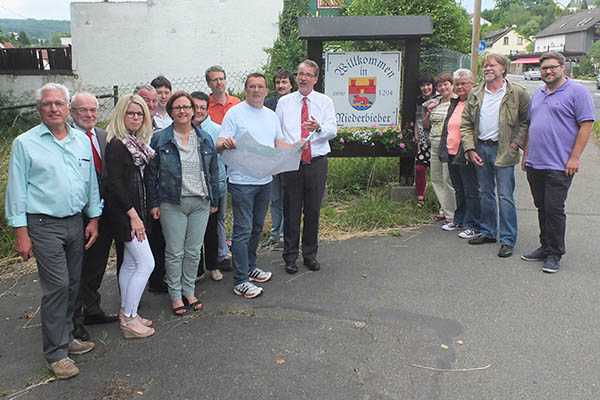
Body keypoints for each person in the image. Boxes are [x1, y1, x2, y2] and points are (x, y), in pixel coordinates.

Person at [5, 83, 101, 379]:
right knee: (57, 285)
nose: (54, 108)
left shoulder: (81, 141)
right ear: (39, 109)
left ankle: (67, 336)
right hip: (43, 224)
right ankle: (56, 353)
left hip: (76, 221)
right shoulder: (25, 143)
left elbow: (90, 184)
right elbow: (17, 189)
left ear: (66, 106)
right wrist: (21, 231)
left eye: (59, 103)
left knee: (73, 283)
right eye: (48, 104)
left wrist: (94, 218)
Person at [217, 72, 293, 298]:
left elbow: (278, 142)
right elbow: (219, 142)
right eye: (252, 86)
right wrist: (226, 143)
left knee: (257, 228)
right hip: (242, 181)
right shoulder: (235, 113)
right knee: (242, 230)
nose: (256, 90)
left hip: (265, 179)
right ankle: (240, 279)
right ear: (245, 90)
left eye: (260, 86)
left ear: (266, 90)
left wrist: (294, 148)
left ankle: (250, 267)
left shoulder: (270, 115)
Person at [146, 91, 221, 314]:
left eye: (186, 107)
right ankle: (175, 295)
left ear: (193, 110)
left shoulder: (205, 137)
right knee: (175, 251)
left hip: (200, 201)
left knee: (194, 250)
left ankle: (189, 290)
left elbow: (213, 170)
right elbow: (151, 174)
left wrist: (214, 199)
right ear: (170, 112)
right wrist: (154, 203)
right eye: (177, 107)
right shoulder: (160, 138)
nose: (183, 111)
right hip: (172, 202)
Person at [522, 51, 594, 273]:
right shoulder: (539, 94)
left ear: (563, 67)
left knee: (554, 209)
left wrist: (574, 157)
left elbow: (587, 125)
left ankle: (555, 253)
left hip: (560, 165)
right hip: (536, 162)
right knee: (542, 207)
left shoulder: (577, 92)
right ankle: (545, 246)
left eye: (553, 67)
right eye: (544, 68)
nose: (548, 71)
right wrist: (526, 155)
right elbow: (531, 126)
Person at [461, 53, 530, 258]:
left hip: (504, 150)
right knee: (486, 193)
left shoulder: (517, 92)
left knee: (505, 196)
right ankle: (489, 231)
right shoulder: (476, 93)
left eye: (492, 65)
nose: (487, 68)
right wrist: (470, 149)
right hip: (481, 148)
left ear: (503, 68)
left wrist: (516, 143)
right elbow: (466, 124)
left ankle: (508, 239)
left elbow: (526, 121)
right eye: (485, 66)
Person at [275, 59, 337, 274]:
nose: (303, 78)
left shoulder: (325, 101)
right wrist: (287, 147)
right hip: (291, 162)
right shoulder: (284, 102)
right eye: (300, 74)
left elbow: (333, 130)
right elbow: (278, 130)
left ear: (315, 79)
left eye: (308, 75)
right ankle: (290, 256)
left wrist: (319, 128)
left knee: (312, 210)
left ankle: (309, 255)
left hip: (316, 162)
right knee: (291, 210)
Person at [103, 94, 156, 338]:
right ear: (121, 115)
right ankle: (130, 319)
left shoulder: (134, 142)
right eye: (130, 113)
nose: (135, 117)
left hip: (134, 211)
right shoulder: (117, 144)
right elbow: (114, 184)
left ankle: (128, 312)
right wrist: (133, 215)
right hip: (125, 213)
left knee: (131, 263)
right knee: (146, 263)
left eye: (139, 113)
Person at [70, 92, 118, 343]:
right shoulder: (66, 138)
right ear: (72, 112)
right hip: (78, 214)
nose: (89, 115)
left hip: (104, 212)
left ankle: (92, 309)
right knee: (78, 267)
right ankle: (75, 323)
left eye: (93, 110)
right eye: (82, 110)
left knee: (97, 265)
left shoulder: (102, 136)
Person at [191, 91, 229, 281]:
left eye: (202, 107)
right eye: (195, 107)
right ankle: (197, 269)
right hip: (191, 189)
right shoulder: (183, 130)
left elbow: (221, 161)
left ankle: (213, 265)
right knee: (193, 232)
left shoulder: (216, 129)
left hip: (213, 186)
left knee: (211, 228)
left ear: (208, 109)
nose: (198, 111)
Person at [438, 69, 480, 240]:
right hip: (452, 151)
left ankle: (474, 224)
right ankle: (460, 219)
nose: (460, 86)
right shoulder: (455, 102)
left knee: (471, 190)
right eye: (457, 83)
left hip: (466, 152)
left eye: (464, 83)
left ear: (473, 84)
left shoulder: (476, 102)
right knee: (459, 189)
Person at [265, 69, 296, 248]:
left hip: (290, 156)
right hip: (272, 157)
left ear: (291, 84)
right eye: (277, 82)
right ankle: (275, 232)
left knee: (289, 197)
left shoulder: (296, 103)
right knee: (275, 197)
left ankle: (286, 233)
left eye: (284, 82)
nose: (281, 85)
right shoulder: (268, 104)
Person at [423, 73, 457, 229]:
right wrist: (429, 112)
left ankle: (452, 215)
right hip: (434, 142)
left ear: (452, 85)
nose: (443, 88)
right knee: (435, 178)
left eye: (446, 84)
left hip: (448, 144)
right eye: (440, 85)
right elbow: (426, 125)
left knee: (447, 179)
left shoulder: (457, 102)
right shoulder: (435, 102)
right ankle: (443, 209)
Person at [414, 74, 435, 207]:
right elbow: (417, 119)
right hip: (422, 139)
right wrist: (416, 135)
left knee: (439, 171)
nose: (425, 88)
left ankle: (442, 202)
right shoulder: (418, 101)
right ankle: (420, 197)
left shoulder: (439, 99)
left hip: (437, 138)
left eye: (428, 84)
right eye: (423, 85)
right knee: (420, 168)